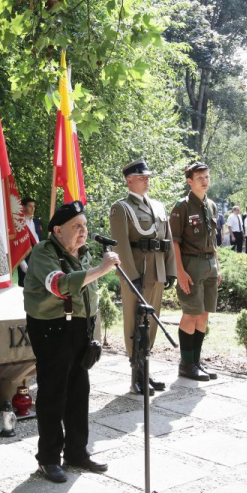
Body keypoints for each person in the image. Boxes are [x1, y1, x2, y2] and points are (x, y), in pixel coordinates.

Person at [23, 201, 120, 483]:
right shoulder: (44, 251)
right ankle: (48, 459)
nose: (83, 231)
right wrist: (102, 269)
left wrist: (94, 335)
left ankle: (76, 452)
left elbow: (89, 297)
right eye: (76, 226)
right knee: (54, 393)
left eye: (85, 225)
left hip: (80, 328)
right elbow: (58, 284)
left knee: (79, 391)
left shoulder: (84, 253)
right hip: (52, 329)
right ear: (57, 230)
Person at [109, 158, 175, 396]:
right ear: (129, 180)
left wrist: (170, 270)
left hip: (156, 271)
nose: (147, 181)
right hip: (137, 273)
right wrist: (130, 275)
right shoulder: (121, 208)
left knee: (152, 322)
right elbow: (121, 245)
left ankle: (145, 370)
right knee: (135, 322)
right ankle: (135, 375)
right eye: (141, 177)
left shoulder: (158, 206)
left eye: (147, 177)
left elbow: (167, 240)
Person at [170, 162, 221, 382]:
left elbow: (213, 239)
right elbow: (174, 242)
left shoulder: (211, 205)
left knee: (204, 313)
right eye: (200, 177)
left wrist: (217, 266)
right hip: (190, 265)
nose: (205, 181)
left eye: (207, 177)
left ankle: (197, 361)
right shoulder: (182, 207)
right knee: (190, 313)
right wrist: (180, 272)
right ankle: (186, 364)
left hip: (209, 264)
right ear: (189, 181)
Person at [17, 197, 43, 287]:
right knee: (24, 285)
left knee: (37, 285)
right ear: (23, 207)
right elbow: (17, 244)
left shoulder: (36, 222)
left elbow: (39, 238)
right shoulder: (18, 222)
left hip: (38, 255)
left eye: (34, 206)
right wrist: (21, 262)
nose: (33, 208)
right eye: (30, 206)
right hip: (25, 256)